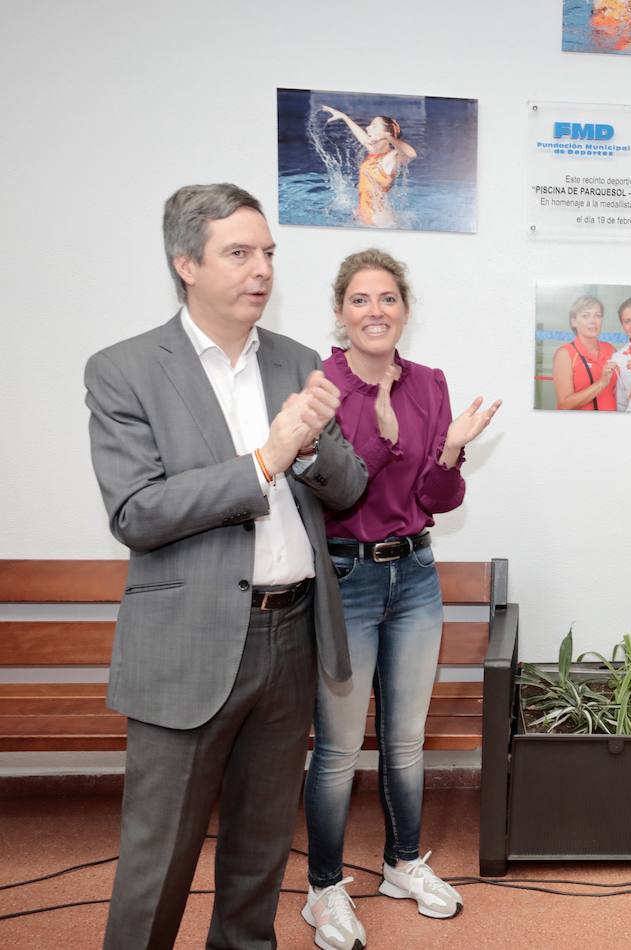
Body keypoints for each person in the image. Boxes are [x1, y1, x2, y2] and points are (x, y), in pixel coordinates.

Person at [85, 183, 368, 949]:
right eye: (238, 253)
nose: (261, 270)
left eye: (268, 253)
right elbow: (136, 512)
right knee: (158, 861)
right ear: (186, 263)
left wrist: (308, 449)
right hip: (189, 640)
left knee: (260, 853)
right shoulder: (125, 369)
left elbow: (349, 487)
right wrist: (266, 458)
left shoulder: (300, 361)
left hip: (292, 634)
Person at [302, 248, 501, 949]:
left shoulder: (429, 384)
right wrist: (385, 442)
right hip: (346, 578)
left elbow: (435, 502)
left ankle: (401, 864)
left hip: (415, 575)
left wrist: (447, 454)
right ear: (340, 312)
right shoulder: (321, 387)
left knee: (406, 740)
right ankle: (322, 889)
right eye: (360, 299)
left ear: (405, 312)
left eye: (387, 299)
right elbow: (336, 491)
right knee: (336, 748)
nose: (375, 311)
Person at [320, 105, 417, 226]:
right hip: (364, 215)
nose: (367, 128)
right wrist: (344, 117)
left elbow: (411, 154)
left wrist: (387, 136)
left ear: (386, 133)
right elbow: (363, 138)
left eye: (374, 126)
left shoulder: (391, 157)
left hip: (378, 220)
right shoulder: (374, 154)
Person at [551, 293, 619, 410]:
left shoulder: (611, 350)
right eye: (585, 316)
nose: (593, 321)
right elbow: (564, 404)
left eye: (597, 315)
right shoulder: (565, 354)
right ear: (574, 322)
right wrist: (601, 383)